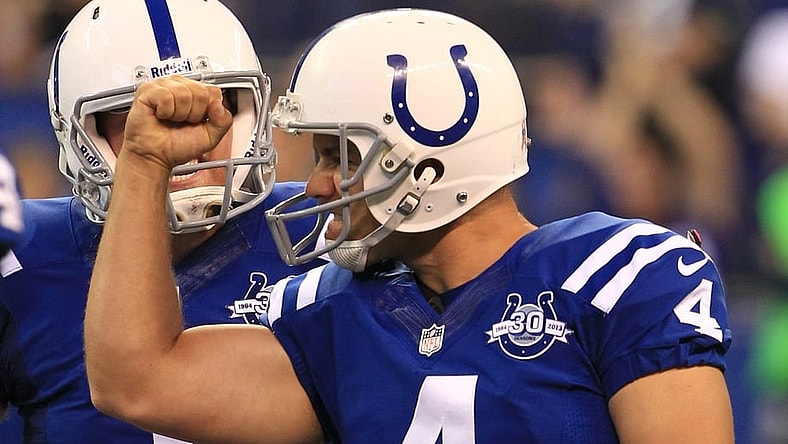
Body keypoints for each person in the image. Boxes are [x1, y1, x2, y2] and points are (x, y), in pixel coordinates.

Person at [84, 8, 735, 443]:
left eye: (337, 157)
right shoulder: (332, 313)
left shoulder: (617, 276)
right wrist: (144, 162)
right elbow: (135, 382)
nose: (316, 185)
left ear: (427, 163)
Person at [0, 0, 324, 442]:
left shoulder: (326, 231)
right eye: (138, 118)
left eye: (212, 109)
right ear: (79, 135)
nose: (185, 144)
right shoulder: (18, 252)